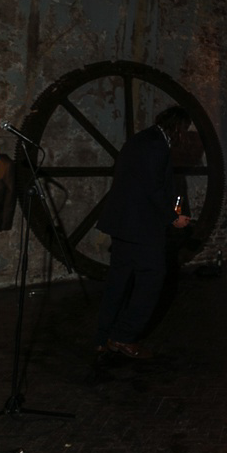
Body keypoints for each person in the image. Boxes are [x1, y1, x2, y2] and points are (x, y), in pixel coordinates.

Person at [94, 106, 192, 359]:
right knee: (151, 281)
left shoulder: (141, 139)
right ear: (178, 127)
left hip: (124, 225)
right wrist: (173, 218)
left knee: (117, 283)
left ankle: (101, 337)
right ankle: (124, 337)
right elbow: (153, 189)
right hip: (142, 229)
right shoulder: (157, 145)